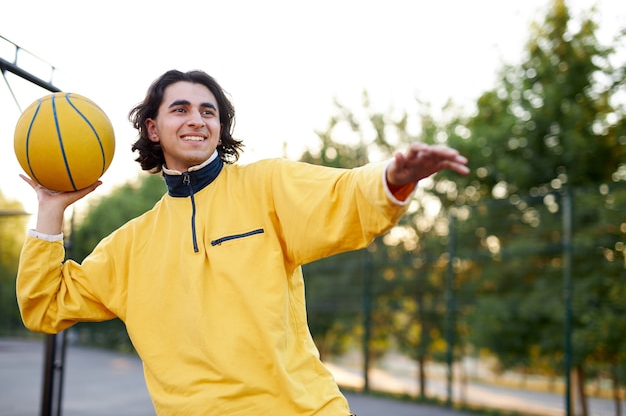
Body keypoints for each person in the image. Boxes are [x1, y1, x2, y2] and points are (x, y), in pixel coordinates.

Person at [16, 69, 469, 416]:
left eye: (207, 111)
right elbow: (45, 304)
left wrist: (394, 177)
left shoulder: (266, 186)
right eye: (181, 109)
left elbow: (344, 195)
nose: (196, 119)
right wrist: (51, 207)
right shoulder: (129, 246)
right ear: (153, 129)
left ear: (219, 127)